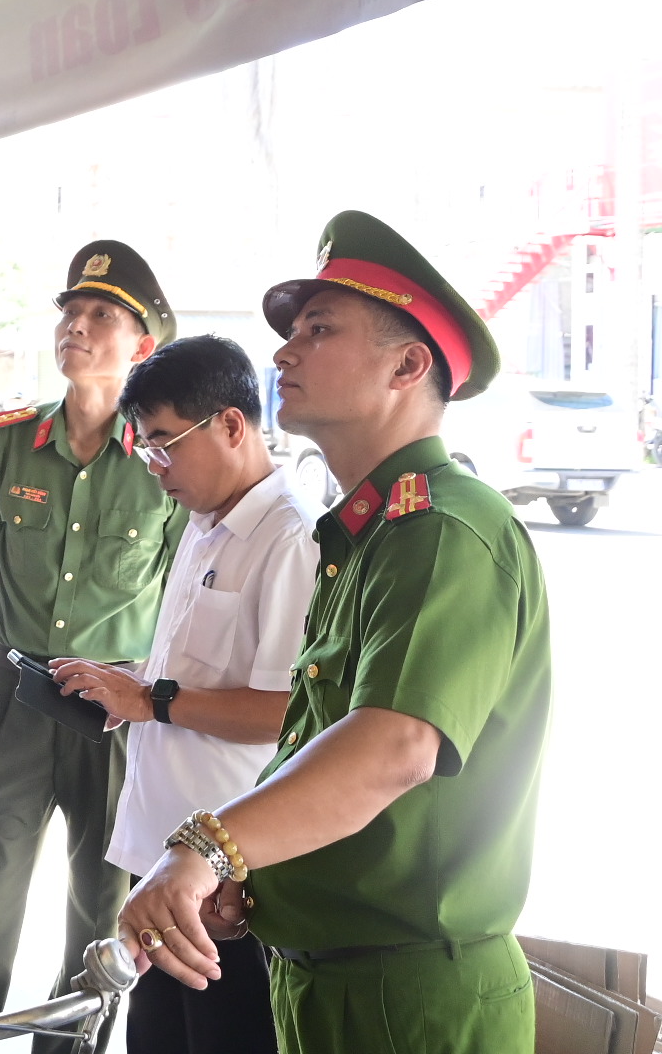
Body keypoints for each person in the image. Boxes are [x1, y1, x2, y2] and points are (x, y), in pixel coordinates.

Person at [117, 211, 549, 1054]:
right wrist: (253, 877)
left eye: (318, 329)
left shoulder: (442, 530)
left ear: (408, 364)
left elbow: (392, 748)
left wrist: (210, 847)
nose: (283, 353)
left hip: (410, 996)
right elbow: (310, 736)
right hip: (325, 975)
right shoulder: (360, 537)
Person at [0, 240, 185, 1054]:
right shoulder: (7, 444)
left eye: (101, 315)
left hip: (115, 708)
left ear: (141, 344)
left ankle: (69, 1047)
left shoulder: (163, 466)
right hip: (16, 690)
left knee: (102, 895)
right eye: (71, 313)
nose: (77, 326)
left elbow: (179, 591)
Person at [52, 335, 315, 1054]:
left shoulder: (288, 538)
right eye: (145, 445)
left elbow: (288, 713)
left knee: (223, 1038)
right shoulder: (205, 525)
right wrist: (129, 685)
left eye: (165, 442)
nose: (154, 466)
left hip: (227, 879)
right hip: (165, 853)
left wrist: (155, 702)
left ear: (232, 425)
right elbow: (192, 675)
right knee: (158, 1037)